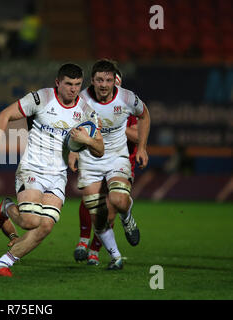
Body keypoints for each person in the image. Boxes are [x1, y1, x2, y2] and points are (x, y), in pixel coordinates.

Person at [0, 63, 105, 277]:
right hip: (32, 168)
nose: (73, 89)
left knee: (45, 226)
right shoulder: (40, 99)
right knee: (30, 221)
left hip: (58, 176)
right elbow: (5, 115)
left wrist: (87, 140)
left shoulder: (86, 111)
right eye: (68, 84)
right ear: (58, 83)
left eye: (77, 85)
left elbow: (100, 149)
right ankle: (6, 207)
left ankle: (1, 265)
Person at [69, 59, 150, 270]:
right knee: (98, 216)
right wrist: (72, 152)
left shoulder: (126, 98)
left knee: (119, 200)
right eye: (99, 80)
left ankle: (127, 215)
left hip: (116, 156)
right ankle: (116, 257)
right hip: (89, 159)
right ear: (92, 81)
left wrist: (141, 147)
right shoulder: (81, 99)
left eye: (108, 80)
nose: (104, 84)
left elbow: (145, 114)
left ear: (115, 81)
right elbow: (71, 125)